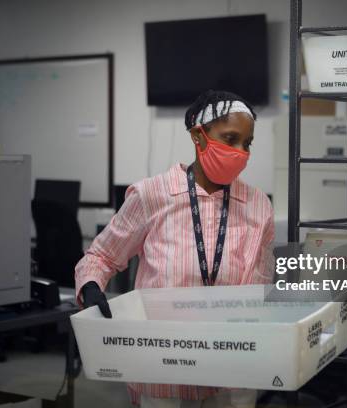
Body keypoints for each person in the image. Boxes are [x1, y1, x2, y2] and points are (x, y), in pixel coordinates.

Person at [74, 89, 275, 408]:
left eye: (246, 143)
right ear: (199, 136)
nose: (240, 152)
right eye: (230, 138)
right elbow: (101, 256)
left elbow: (262, 285)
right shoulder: (151, 195)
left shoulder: (258, 205)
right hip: (163, 364)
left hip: (231, 366)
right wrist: (91, 284)